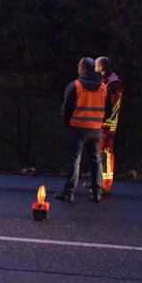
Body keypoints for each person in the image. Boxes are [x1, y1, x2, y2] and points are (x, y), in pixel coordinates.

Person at [55, 57, 110, 203]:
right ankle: (97, 193)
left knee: (74, 160)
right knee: (96, 160)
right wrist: (99, 122)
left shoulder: (76, 86)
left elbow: (67, 108)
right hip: (96, 129)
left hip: (78, 128)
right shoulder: (104, 87)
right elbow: (109, 110)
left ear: (82, 68)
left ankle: (69, 193)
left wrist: (68, 123)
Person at [95, 56, 123, 195]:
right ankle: (99, 181)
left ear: (101, 68)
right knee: (101, 153)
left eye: (96, 66)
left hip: (107, 124)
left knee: (105, 153)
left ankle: (105, 185)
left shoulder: (113, 84)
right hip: (104, 122)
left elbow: (109, 106)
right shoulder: (108, 81)